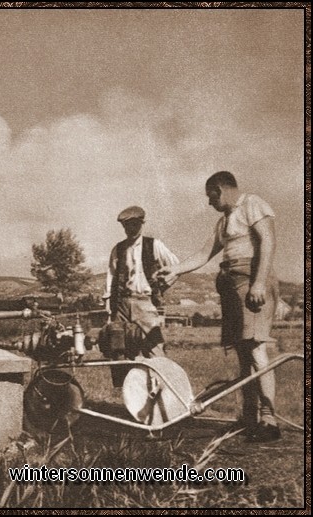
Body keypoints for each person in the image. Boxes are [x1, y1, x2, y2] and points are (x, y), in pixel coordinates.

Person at [158, 171, 281, 442]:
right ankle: (250, 418)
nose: (209, 203)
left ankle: (269, 421)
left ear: (219, 189)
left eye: (210, 197)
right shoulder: (223, 220)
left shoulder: (253, 204)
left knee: (257, 348)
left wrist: (259, 283)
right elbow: (204, 254)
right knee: (243, 351)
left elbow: (268, 242)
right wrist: (175, 271)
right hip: (230, 283)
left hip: (251, 280)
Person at [102, 205, 179, 359]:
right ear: (123, 226)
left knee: (154, 347)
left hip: (145, 302)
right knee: (119, 347)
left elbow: (176, 266)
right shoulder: (118, 249)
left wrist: (162, 287)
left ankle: (161, 380)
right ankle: (125, 383)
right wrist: (108, 302)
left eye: (136, 224)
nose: (132, 228)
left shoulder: (154, 244)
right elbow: (110, 276)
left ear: (142, 224)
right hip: (122, 304)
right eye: (128, 224)